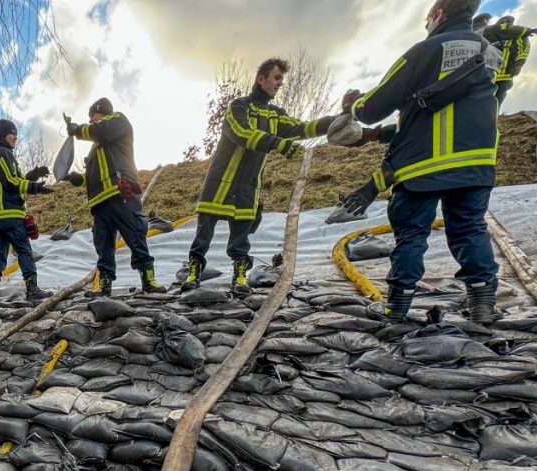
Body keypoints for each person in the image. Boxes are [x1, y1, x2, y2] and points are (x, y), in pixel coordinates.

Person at [344, 0, 501, 324]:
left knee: (411, 235)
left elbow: (374, 105)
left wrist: (353, 106)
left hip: (423, 165)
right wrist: (380, 136)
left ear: (438, 15)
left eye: (427, 20)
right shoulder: (491, 54)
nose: (427, 26)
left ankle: (397, 310)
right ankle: (483, 304)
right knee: (470, 229)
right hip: (476, 163)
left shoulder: (426, 50)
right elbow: (445, 110)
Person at [184, 59, 337, 294]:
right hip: (221, 179)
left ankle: (240, 276)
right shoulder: (238, 107)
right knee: (205, 230)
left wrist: (336, 121)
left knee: (242, 235)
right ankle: (194, 271)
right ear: (261, 78)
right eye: (276, 78)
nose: (280, 84)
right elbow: (242, 133)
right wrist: (277, 143)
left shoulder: (276, 115)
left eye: (281, 80)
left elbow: (302, 128)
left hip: (249, 184)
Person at [67, 97, 167, 295]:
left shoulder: (117, 121)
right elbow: (94, 176)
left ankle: (149, 280)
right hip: (100, 201)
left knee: (134, 234)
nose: (91, 119)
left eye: (92, 115)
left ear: (101, 111)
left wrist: (78, 130)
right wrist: (79, 179)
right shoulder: (96, 148)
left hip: (121, 192)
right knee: (103, 244)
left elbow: (101, 131)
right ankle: (103, 285)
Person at [0, 119, 53, 302]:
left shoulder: (0, 155)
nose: (15, 137)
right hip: (10, 213)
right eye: (11, 133)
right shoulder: (2, 154)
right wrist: (35, 187)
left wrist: (34, 174)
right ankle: (32, 289)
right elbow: (11, 183)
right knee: (24, 250)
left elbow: (16, 179)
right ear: (2, 135)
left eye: (16, 134)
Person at [483, 15, 535, 106]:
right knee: (483, 96)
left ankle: (493, 118)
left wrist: (519, 64)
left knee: (498, 97)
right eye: (502, 21)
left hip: (506, 73)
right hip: (489, 72)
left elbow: (524, 49)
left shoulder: (519, 36)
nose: (503, 23)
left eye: (506, 21)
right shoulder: (490, 32)